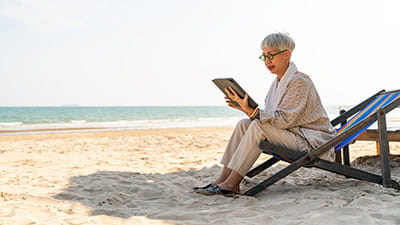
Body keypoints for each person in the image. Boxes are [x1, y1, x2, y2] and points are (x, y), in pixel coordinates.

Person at [194, 32, 336, 197]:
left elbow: (284, 121)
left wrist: (252, 111)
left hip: (309, 140)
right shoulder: (277, 82)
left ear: (286, 54)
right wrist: (244, 109)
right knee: (243, 124)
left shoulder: (299, 81)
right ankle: (222, 179)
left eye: (271, 55)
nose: (267, 61)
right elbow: (272, 116)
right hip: (291, 134)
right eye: (264, 56)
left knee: (257, 126)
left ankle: (232, 184)